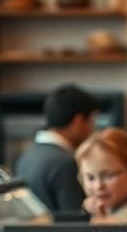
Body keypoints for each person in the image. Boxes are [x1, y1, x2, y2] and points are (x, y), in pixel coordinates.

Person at [14, 84, 98, 218]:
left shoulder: (27, 154)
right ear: (78, 120)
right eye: (92, 121)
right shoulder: (64, 163)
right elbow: (76, 223)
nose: (92, 129)